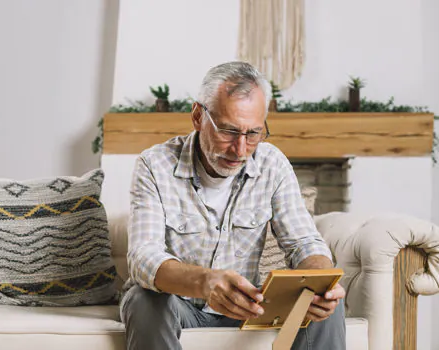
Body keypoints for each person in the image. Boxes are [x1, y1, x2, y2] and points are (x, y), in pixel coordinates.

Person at [120, 61, 346, 350]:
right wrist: (205, 282)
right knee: (144, 298)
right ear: (198, 116)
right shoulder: (154, 164)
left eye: (253, 133)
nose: (240, 150)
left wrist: (321, 282)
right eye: (228, 131)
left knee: (327, 302)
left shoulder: (272, 163)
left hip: (247, 309)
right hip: (180, 307)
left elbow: (304, 242)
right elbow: (143, 257)